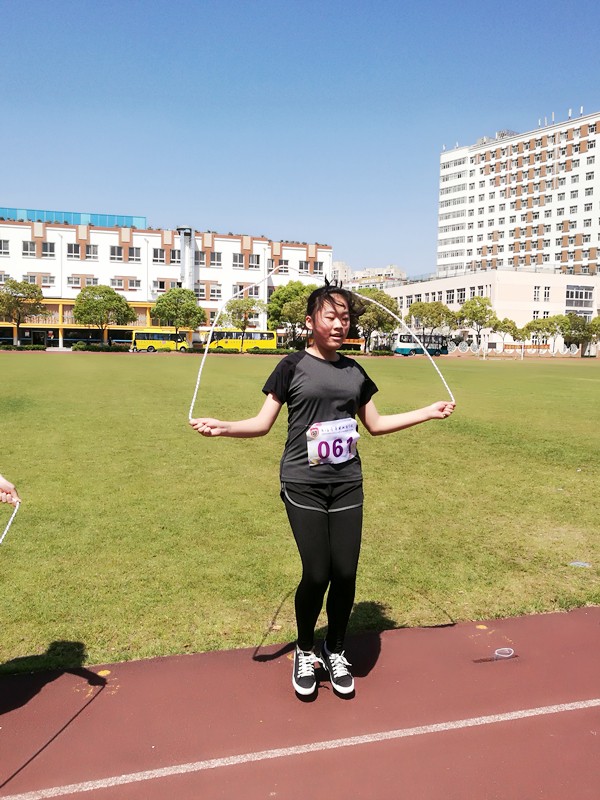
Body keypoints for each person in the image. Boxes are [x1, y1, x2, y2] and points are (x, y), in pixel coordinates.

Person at [190, 282, 455, 697]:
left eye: (344, 318)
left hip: (347, 483)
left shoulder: (355, 372)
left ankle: (335, 648)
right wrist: (223, 427)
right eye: (330, 316)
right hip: (303, 483)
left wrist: (428, 411)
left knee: (345, 573)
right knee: (317, 572)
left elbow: (376, 424)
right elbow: (261, 424)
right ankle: (305, 649)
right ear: (310, 321)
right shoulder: (291, 366)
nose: (338, 324)